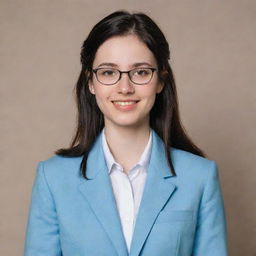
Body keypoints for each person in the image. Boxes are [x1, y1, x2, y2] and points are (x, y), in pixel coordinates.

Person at [24, 10, 228, 256]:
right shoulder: (53, 178)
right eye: (108, 72)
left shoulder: (200, 177)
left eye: (140, 72)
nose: (125, 87)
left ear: (161, 80)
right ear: (91, 82)